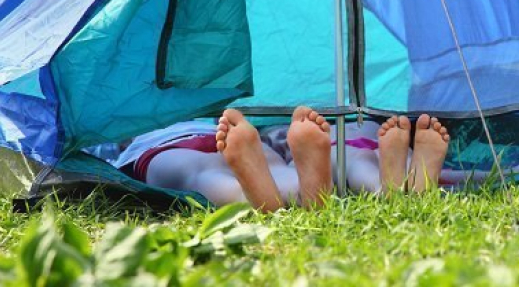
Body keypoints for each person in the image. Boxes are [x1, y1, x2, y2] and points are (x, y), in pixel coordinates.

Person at [115, 106, 451, 211]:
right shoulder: (220, 116)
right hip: (253, 143)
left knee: (194, 177)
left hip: (165, 148)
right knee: (279, 169)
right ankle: (389, 188)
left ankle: (263, 197)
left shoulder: (135, 129)